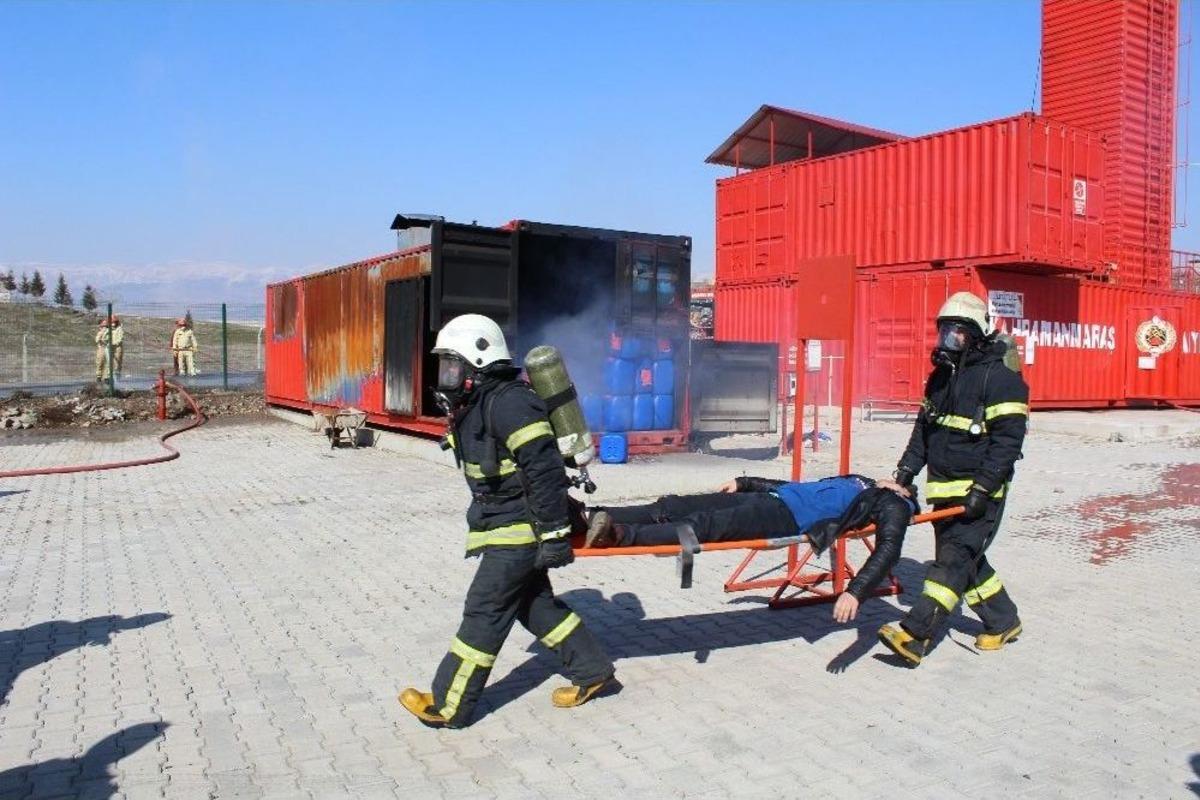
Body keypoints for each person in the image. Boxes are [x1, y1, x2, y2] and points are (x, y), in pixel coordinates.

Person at [399, 314, 614, 728]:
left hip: (522, 528)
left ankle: (450, 705)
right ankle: (593, 671)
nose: (445, 376)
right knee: (535, 607)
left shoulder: (511, 402)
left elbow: (545, 469)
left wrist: (554, 535)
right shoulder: (481, 402)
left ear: (478, 362)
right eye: (444, 366)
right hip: (503, 520)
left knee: (484, 611)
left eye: (451, 365)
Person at [876, 291, 1029, 666]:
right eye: (945, 331)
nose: (949, 339)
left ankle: (915, 635)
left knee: (950, 562)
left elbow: (1007, 443)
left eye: (958, 333)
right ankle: (1003, 621)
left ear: (976, 335)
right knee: (967, 561)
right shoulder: (941, 378)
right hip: (943, 490)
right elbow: (923, 432)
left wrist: (983, 489)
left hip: (980, 493)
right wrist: (905, 473)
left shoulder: (1001, 378)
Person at [586, 475, 919, 623]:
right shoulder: (861, 480)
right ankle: (594, 516)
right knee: (676, 504)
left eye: (898, 481)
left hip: (782, 518)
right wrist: (746, 483)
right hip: (769, 498)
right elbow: (798, 486)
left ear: (904, 492)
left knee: (702, 527)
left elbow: (888, 548)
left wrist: (855, 592)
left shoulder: (894, 504)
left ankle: (617, 534)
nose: (891, 479)